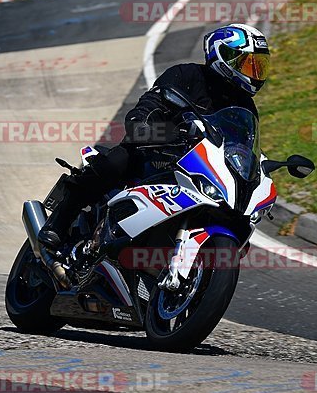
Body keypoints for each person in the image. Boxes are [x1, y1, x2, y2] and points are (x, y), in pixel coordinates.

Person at [37, 23, 271, 254]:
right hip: (156, 149)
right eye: (248, 64)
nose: (255, 73)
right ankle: (60, 220)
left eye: (259, 67)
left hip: (198, 166)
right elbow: (151, 104)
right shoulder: (186, 75)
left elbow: (243, 140)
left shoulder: (244, 105)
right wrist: (145, 125)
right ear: (223, 55)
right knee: (114, 162)